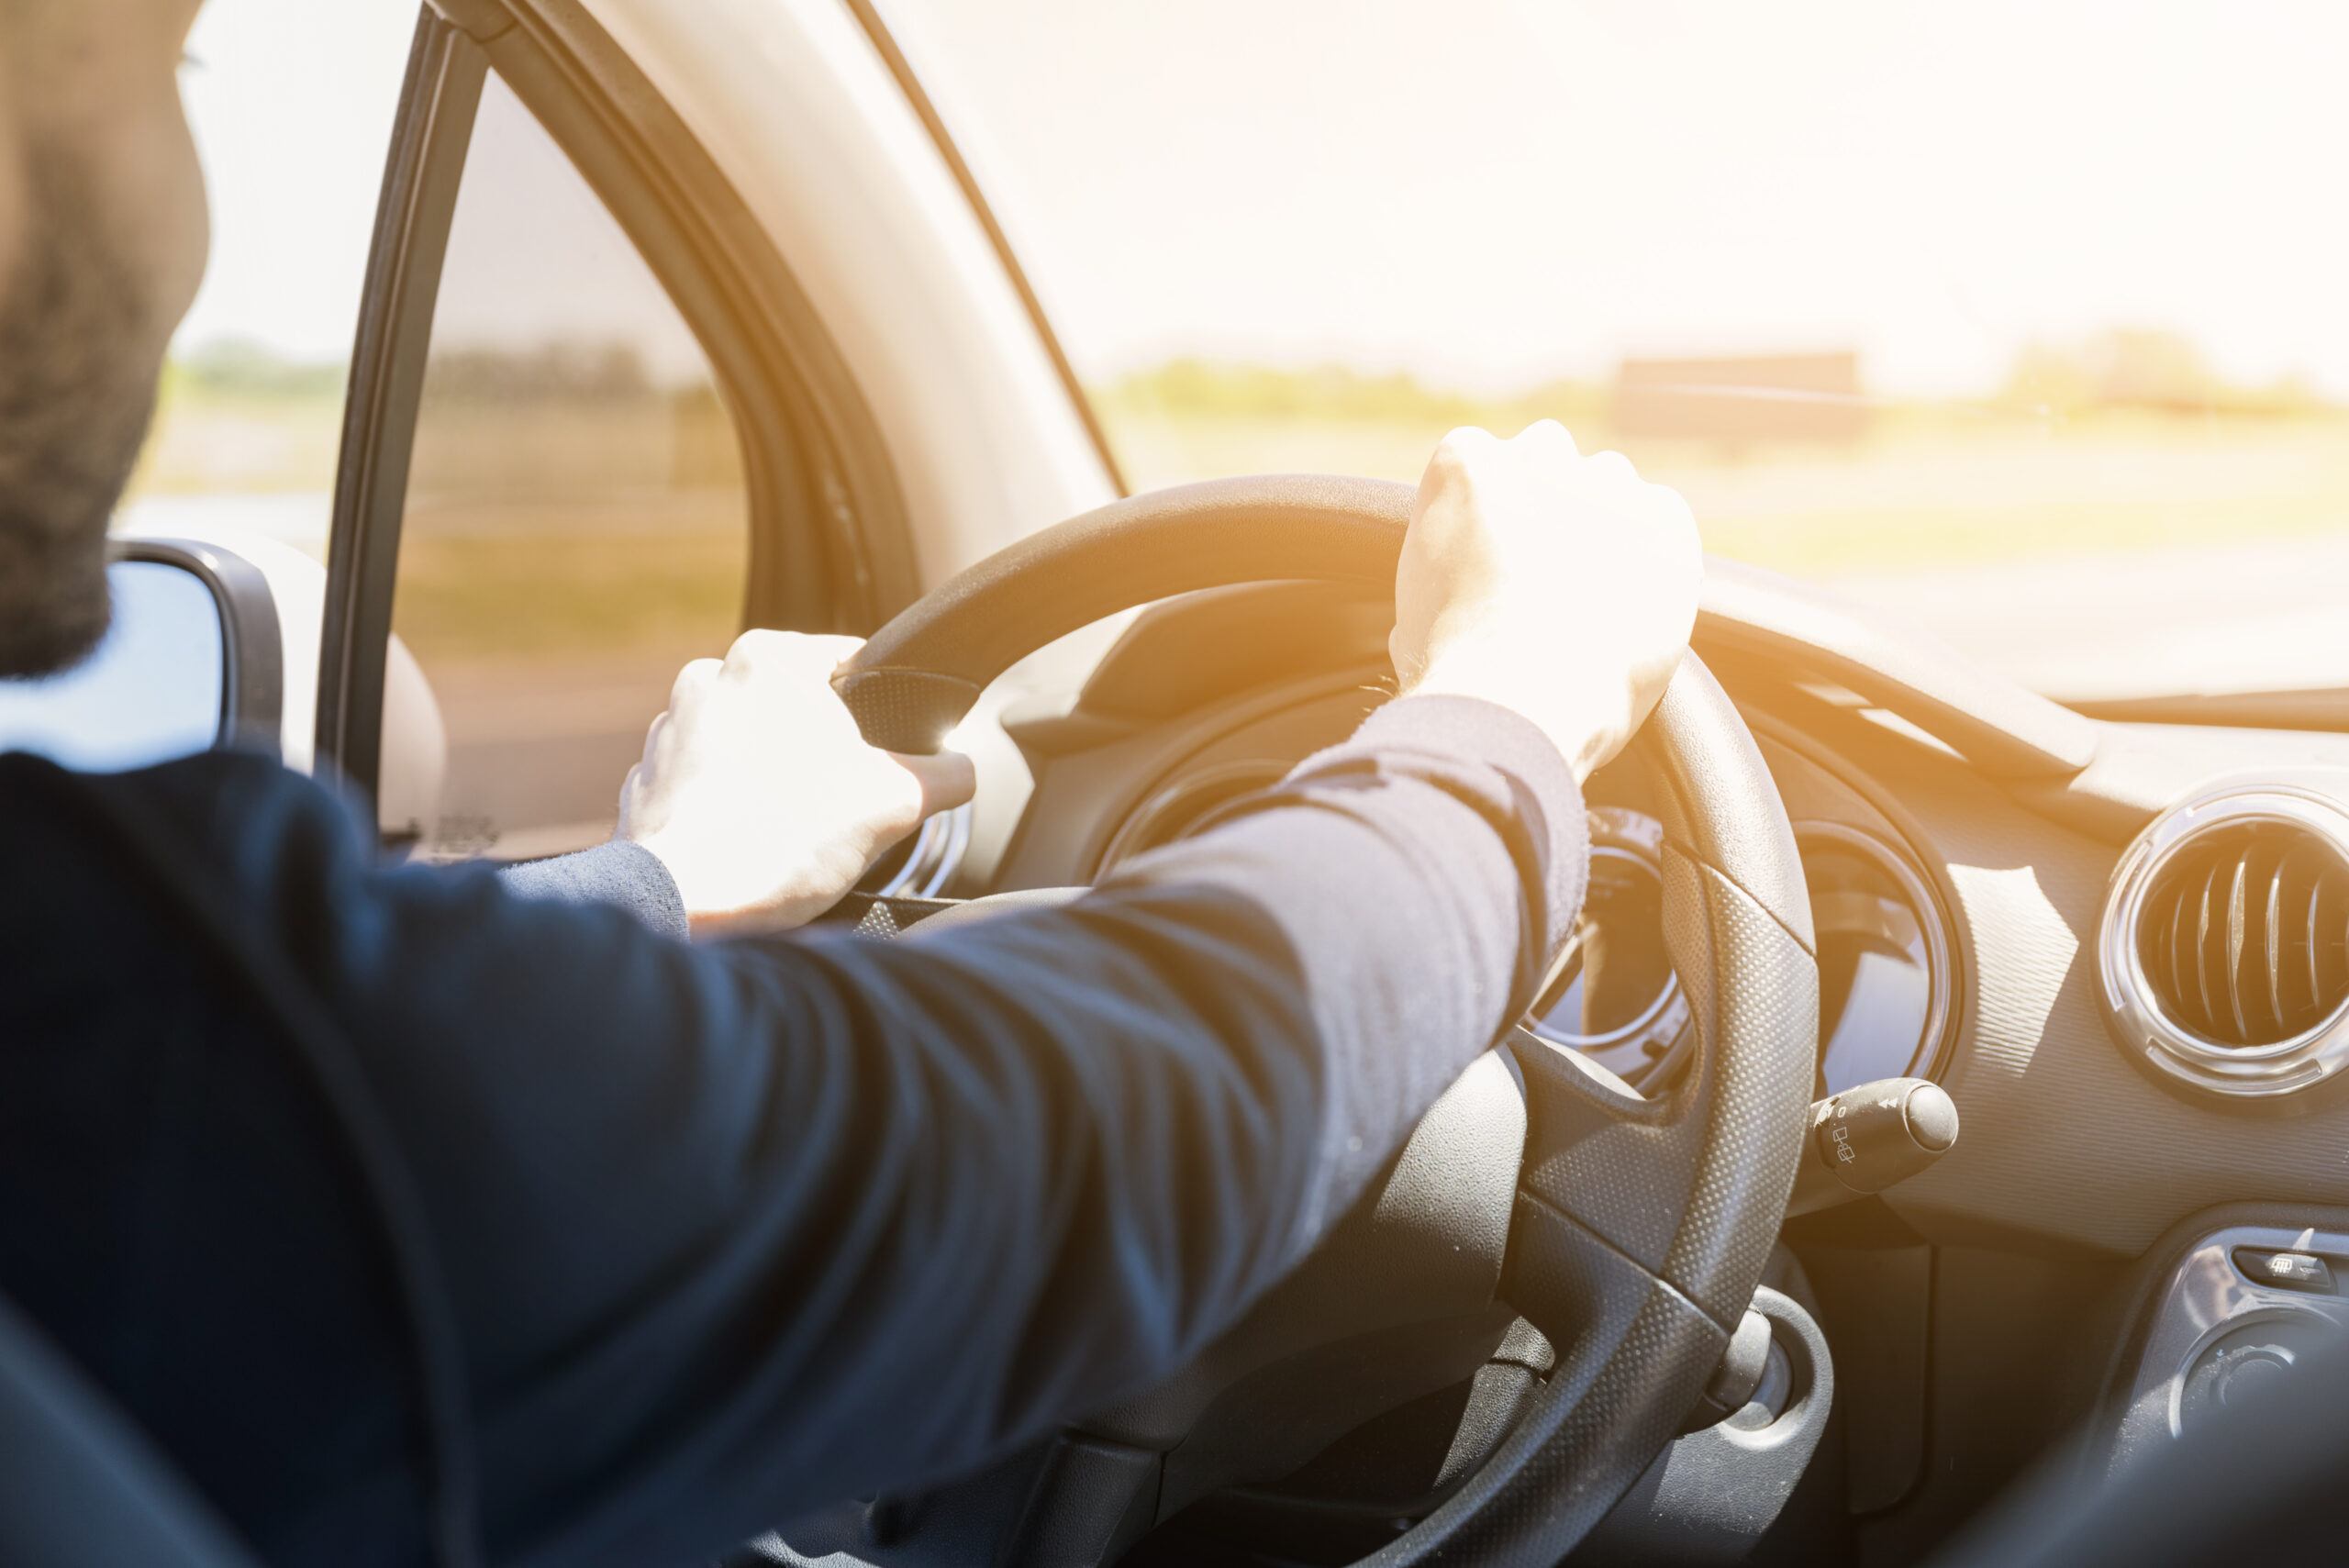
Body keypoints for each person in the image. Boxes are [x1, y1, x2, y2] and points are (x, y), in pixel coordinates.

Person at [0, 2, 1701, 1565]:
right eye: (167, 65)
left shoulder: (149, 1069)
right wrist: (1512, 701)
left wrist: (669, 877)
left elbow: (410, 1108)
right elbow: (1100, 1127)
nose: (188, 208)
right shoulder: (116, 1019)